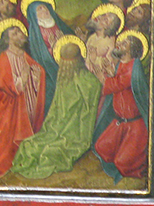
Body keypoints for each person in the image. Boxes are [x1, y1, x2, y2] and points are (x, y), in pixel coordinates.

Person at [11, 39, 102, 179]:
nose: (65, 67)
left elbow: (90, 103)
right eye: (64, 63)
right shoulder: (63, 78)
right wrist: (54, 124)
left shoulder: (88, 80)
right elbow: (56, 107)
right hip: (56, 127)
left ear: (77, 61)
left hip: (74, 132)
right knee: (29, 145)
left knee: (51, 151)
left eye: (68, 63)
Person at [0, 20, 45, 180]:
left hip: (27, 103)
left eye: (20, 31)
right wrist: (23, 78)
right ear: (7, 39)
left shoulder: (23, 55)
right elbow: (5, 84)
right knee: (7, 139)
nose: (20, 35)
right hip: (11, 108)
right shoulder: (5, 57)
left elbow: (37, 72)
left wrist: (35, 74)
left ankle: (22, 161)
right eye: (15, 33)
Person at [93, 32, 149, 181]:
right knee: (100, 147)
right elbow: (116, 79)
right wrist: (109, 72)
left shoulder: (134, 68)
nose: (119, 45)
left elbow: (116, 84)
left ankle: (139, 164)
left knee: (121, 162)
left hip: (135, 126)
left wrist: (101, 77)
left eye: (124, 44)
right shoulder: (121, 64)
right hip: (120, 123)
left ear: (132, 50)